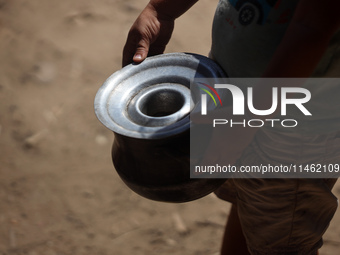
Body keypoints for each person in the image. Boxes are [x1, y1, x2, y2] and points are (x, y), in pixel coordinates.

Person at [122, 0, 340, 254]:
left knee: (281, 243)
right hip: (229, 93)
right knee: (247, 202)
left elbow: (311, 30)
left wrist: (248, 118)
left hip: (293, 131)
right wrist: (162, 10)